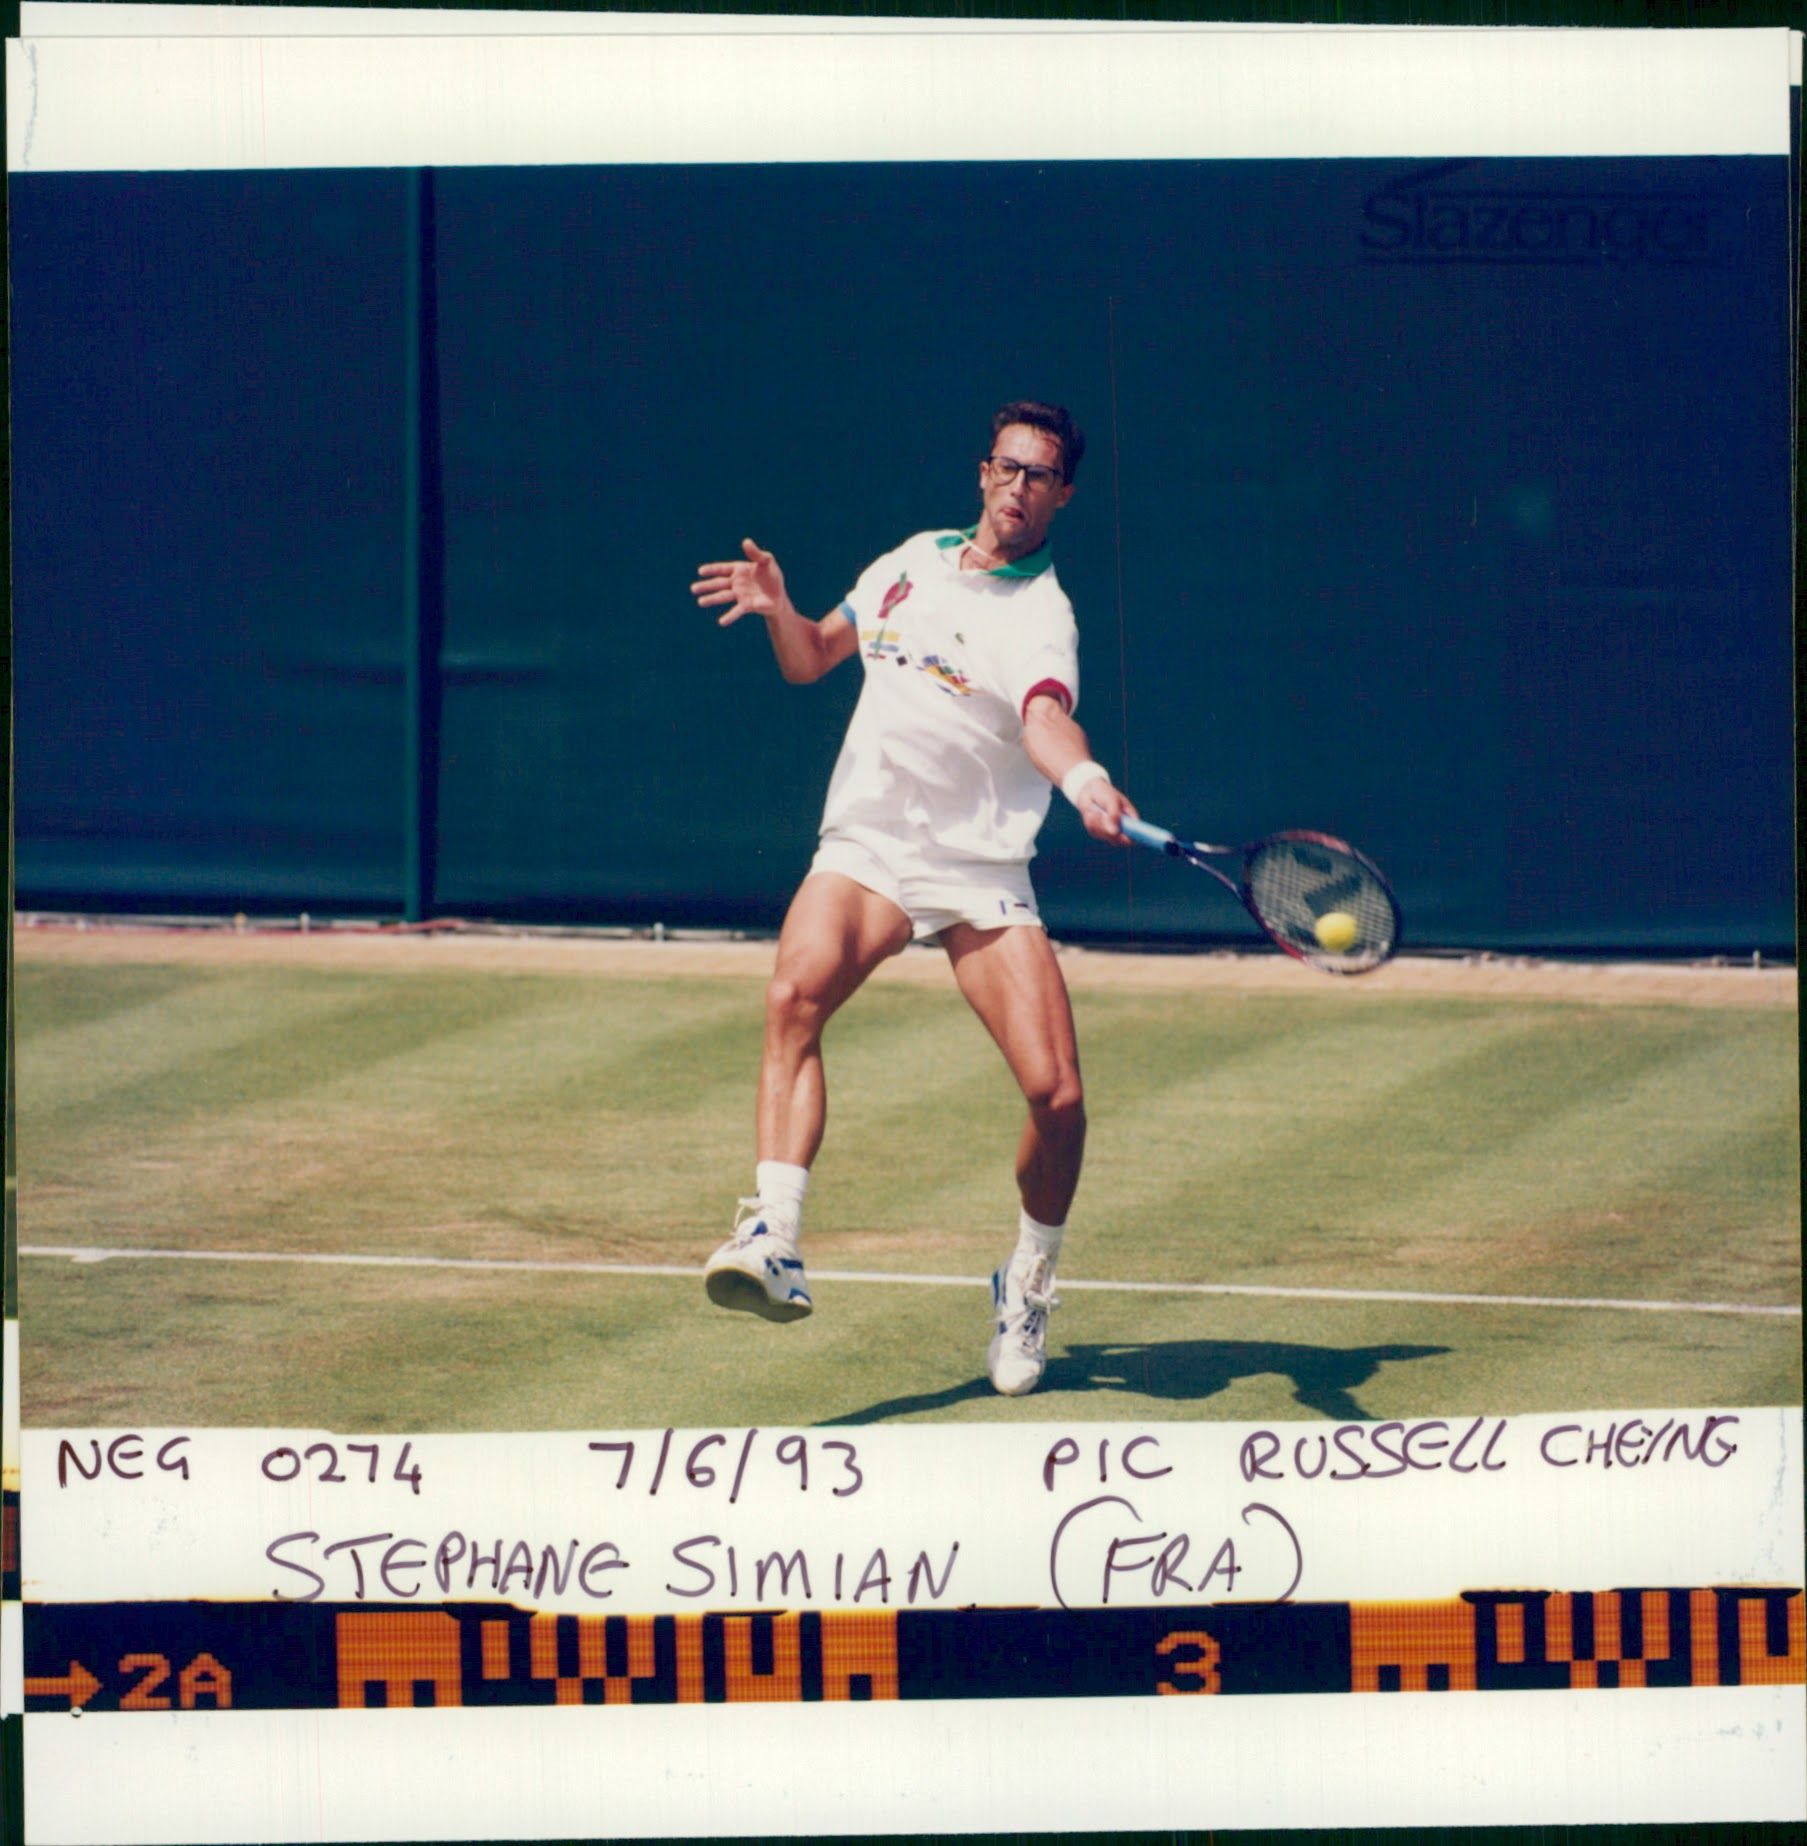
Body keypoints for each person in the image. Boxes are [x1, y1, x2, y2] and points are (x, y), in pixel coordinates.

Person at [688, 401, 1136, 1396]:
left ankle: (1027, 1278)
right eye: (1006, 469)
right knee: (791, 996)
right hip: (875, 838)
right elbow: (812, 659)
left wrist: (1083, 779)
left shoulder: (1040, 614)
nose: (1018, 490)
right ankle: (774, 1234)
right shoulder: (908, 560)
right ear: (982, 472)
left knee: (1057, 1098)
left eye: (1040, 476)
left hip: (978, 864)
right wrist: (779, 609)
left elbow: (1046, 718)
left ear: (1063, 494)